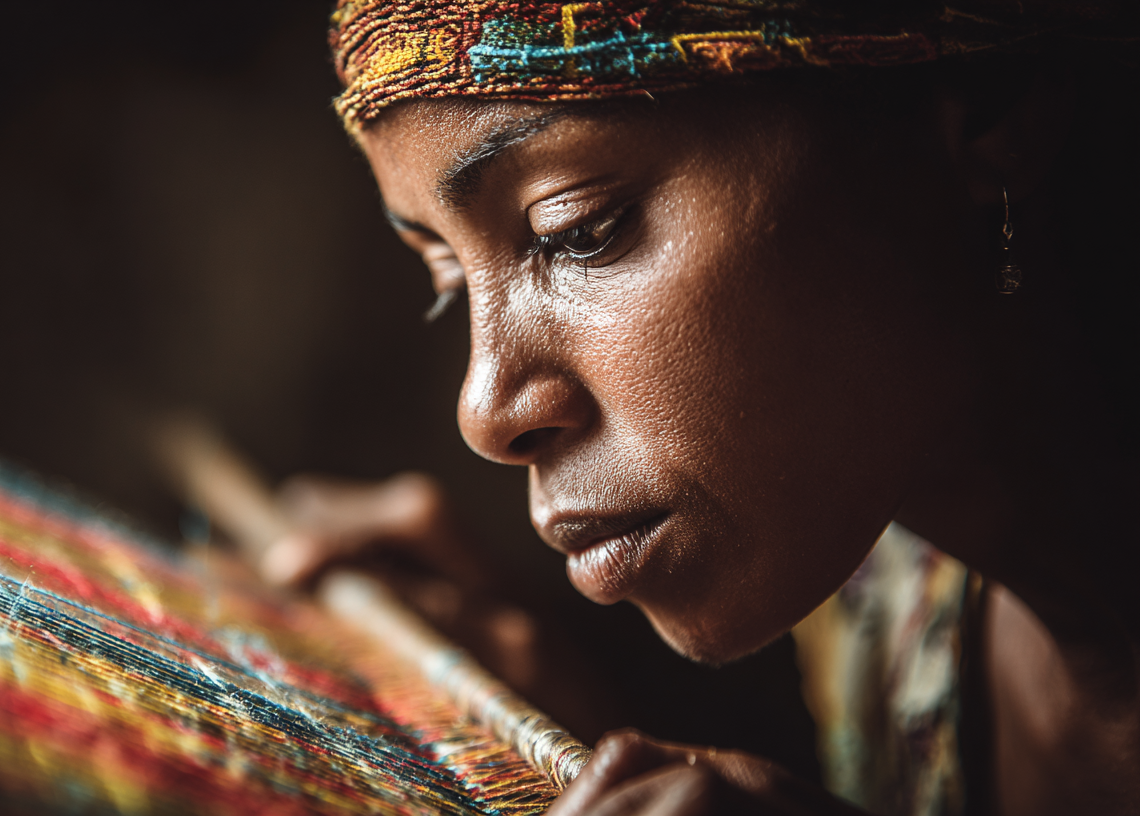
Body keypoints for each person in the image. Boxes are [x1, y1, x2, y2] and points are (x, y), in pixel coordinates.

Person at [262, 2, 1140, 814]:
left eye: (578, 229)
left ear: (987, 109)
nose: (486, 409)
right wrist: (576, 730)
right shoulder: (881, 608)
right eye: (448, 276)